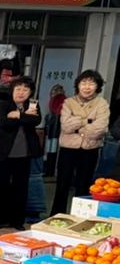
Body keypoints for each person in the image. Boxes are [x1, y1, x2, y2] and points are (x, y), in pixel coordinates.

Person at [0, 76, 41, 230]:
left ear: (30, 92)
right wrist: (25, 117)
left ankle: (17, 221)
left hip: (24, 154)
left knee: (21, 188)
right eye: (18, 89)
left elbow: (36, 121)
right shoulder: (3, 104)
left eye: (25, 89)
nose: (21, 92)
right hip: (3, 153)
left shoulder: (33, 104)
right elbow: (3, 122)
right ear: (12, 90)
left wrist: (18, 115)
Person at [52, 69, 110, 215]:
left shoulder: (102, 104)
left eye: (91, 83)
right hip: (68, 149)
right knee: (62, 185)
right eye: (83, 82)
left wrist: (77, 124)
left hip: (90, 149)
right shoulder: (68, 102)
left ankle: (79, 218)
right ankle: (56, 216)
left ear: (97, 86)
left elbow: (101, 128)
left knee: (83, 185)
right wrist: (88, 121)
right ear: (78, 85)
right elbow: (65, 126)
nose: (87, 86)